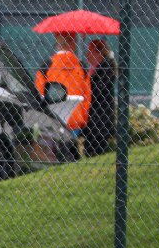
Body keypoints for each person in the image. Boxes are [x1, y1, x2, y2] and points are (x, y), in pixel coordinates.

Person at [35, 31, 91, 159]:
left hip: (53, 120)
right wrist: (83, 118)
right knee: (71, 152)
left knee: (53, 156)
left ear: (57, 44)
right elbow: (87, 98)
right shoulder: (82, 67)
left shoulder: (46, 66)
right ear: (73, 44)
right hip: (75, 120)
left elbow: (39, 94)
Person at [82, 38, 118, 158]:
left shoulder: (106, 68)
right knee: (90, 147)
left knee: (96, 149)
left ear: (99, 53)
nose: (87, 55)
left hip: (101, 117)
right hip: (94, 116)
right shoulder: (95, 68)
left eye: (90, 51)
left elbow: (98, 89)